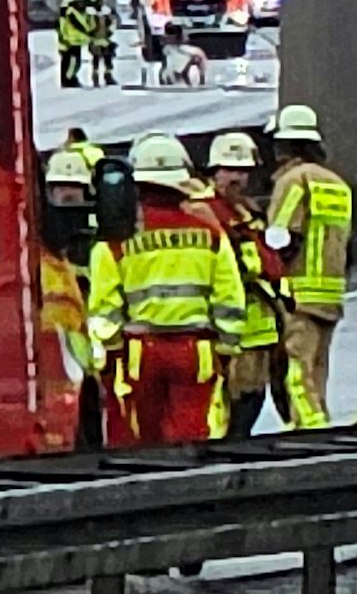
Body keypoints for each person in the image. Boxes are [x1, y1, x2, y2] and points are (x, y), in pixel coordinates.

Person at [86, 133, 245, 446]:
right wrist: (225, 348)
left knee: (140, 439)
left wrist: (108, 354)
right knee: (193, 436)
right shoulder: (210, 233)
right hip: (197, 350)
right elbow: (230, 298)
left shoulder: (114, 240)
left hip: (138, 351)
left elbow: (104, 308)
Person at [265, 104, 351, 428]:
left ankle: (311, 434)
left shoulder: (294, 180)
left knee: (296, 373)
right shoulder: (337, 184)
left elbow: (281, 236)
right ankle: (318, 422)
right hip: (330, 293)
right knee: (317, 372)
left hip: (298, 293)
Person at [201, 131, 284, 436]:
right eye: (230, 170)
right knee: (227, 402)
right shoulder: (203, 211)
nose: (238, 178)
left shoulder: (249, 210)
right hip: (223, 325)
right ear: (214, 171)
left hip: (258, 324)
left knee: (253, 395)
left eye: (243, 171)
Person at [39, 146, 104, 448]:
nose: (67, 196)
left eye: (74, 188)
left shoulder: (100, 241)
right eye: (60, 188)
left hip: (97, 361)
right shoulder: (40, 245)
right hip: (58, 364)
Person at [55, 0, 93, 88]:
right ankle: (68, 80)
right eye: (80, 2)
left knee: (74, 62)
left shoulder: (74, 12)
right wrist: (89, 32)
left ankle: (70, 78)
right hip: (70, 42)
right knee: (72, 62)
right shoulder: (71, 12)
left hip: (74, 41)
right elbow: (81, 25)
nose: (82, 4)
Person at [156, 21, 209, 87]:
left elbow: (201, 69)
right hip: (174, 81)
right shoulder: (167, 49)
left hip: (187, 82)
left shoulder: (193, 51)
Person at [85, 0, 116, 87]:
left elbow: (111, 23)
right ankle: (96, 76)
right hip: (95, 40)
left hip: (104, 39)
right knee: (96, 59)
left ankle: (108, 76)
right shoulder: (90, 13)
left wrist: (110, 31)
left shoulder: (105, 11)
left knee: (107, 58)